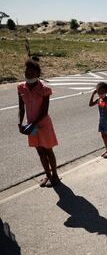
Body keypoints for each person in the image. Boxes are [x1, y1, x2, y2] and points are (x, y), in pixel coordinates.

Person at [18, 58, 59, 187]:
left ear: (38, 74)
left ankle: (55, 176)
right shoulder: (21, 88)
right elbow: (21, 108)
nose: (28, 75)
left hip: (43, 124)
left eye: (32, 73)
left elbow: (44, 111)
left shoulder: (44, 89)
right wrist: (20, 123)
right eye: (27, 72)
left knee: (48, 151)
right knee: (40, 151)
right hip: (31, 125)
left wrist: (32, 125)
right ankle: (47, 175)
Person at [89, 82, 107, 158]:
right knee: (103, 136)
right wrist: (93, 94)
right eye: (98, 92)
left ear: (105, 92)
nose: (100, 94)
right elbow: (90, 104)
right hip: (102, 121)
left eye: (101, 93)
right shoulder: (99, 99)